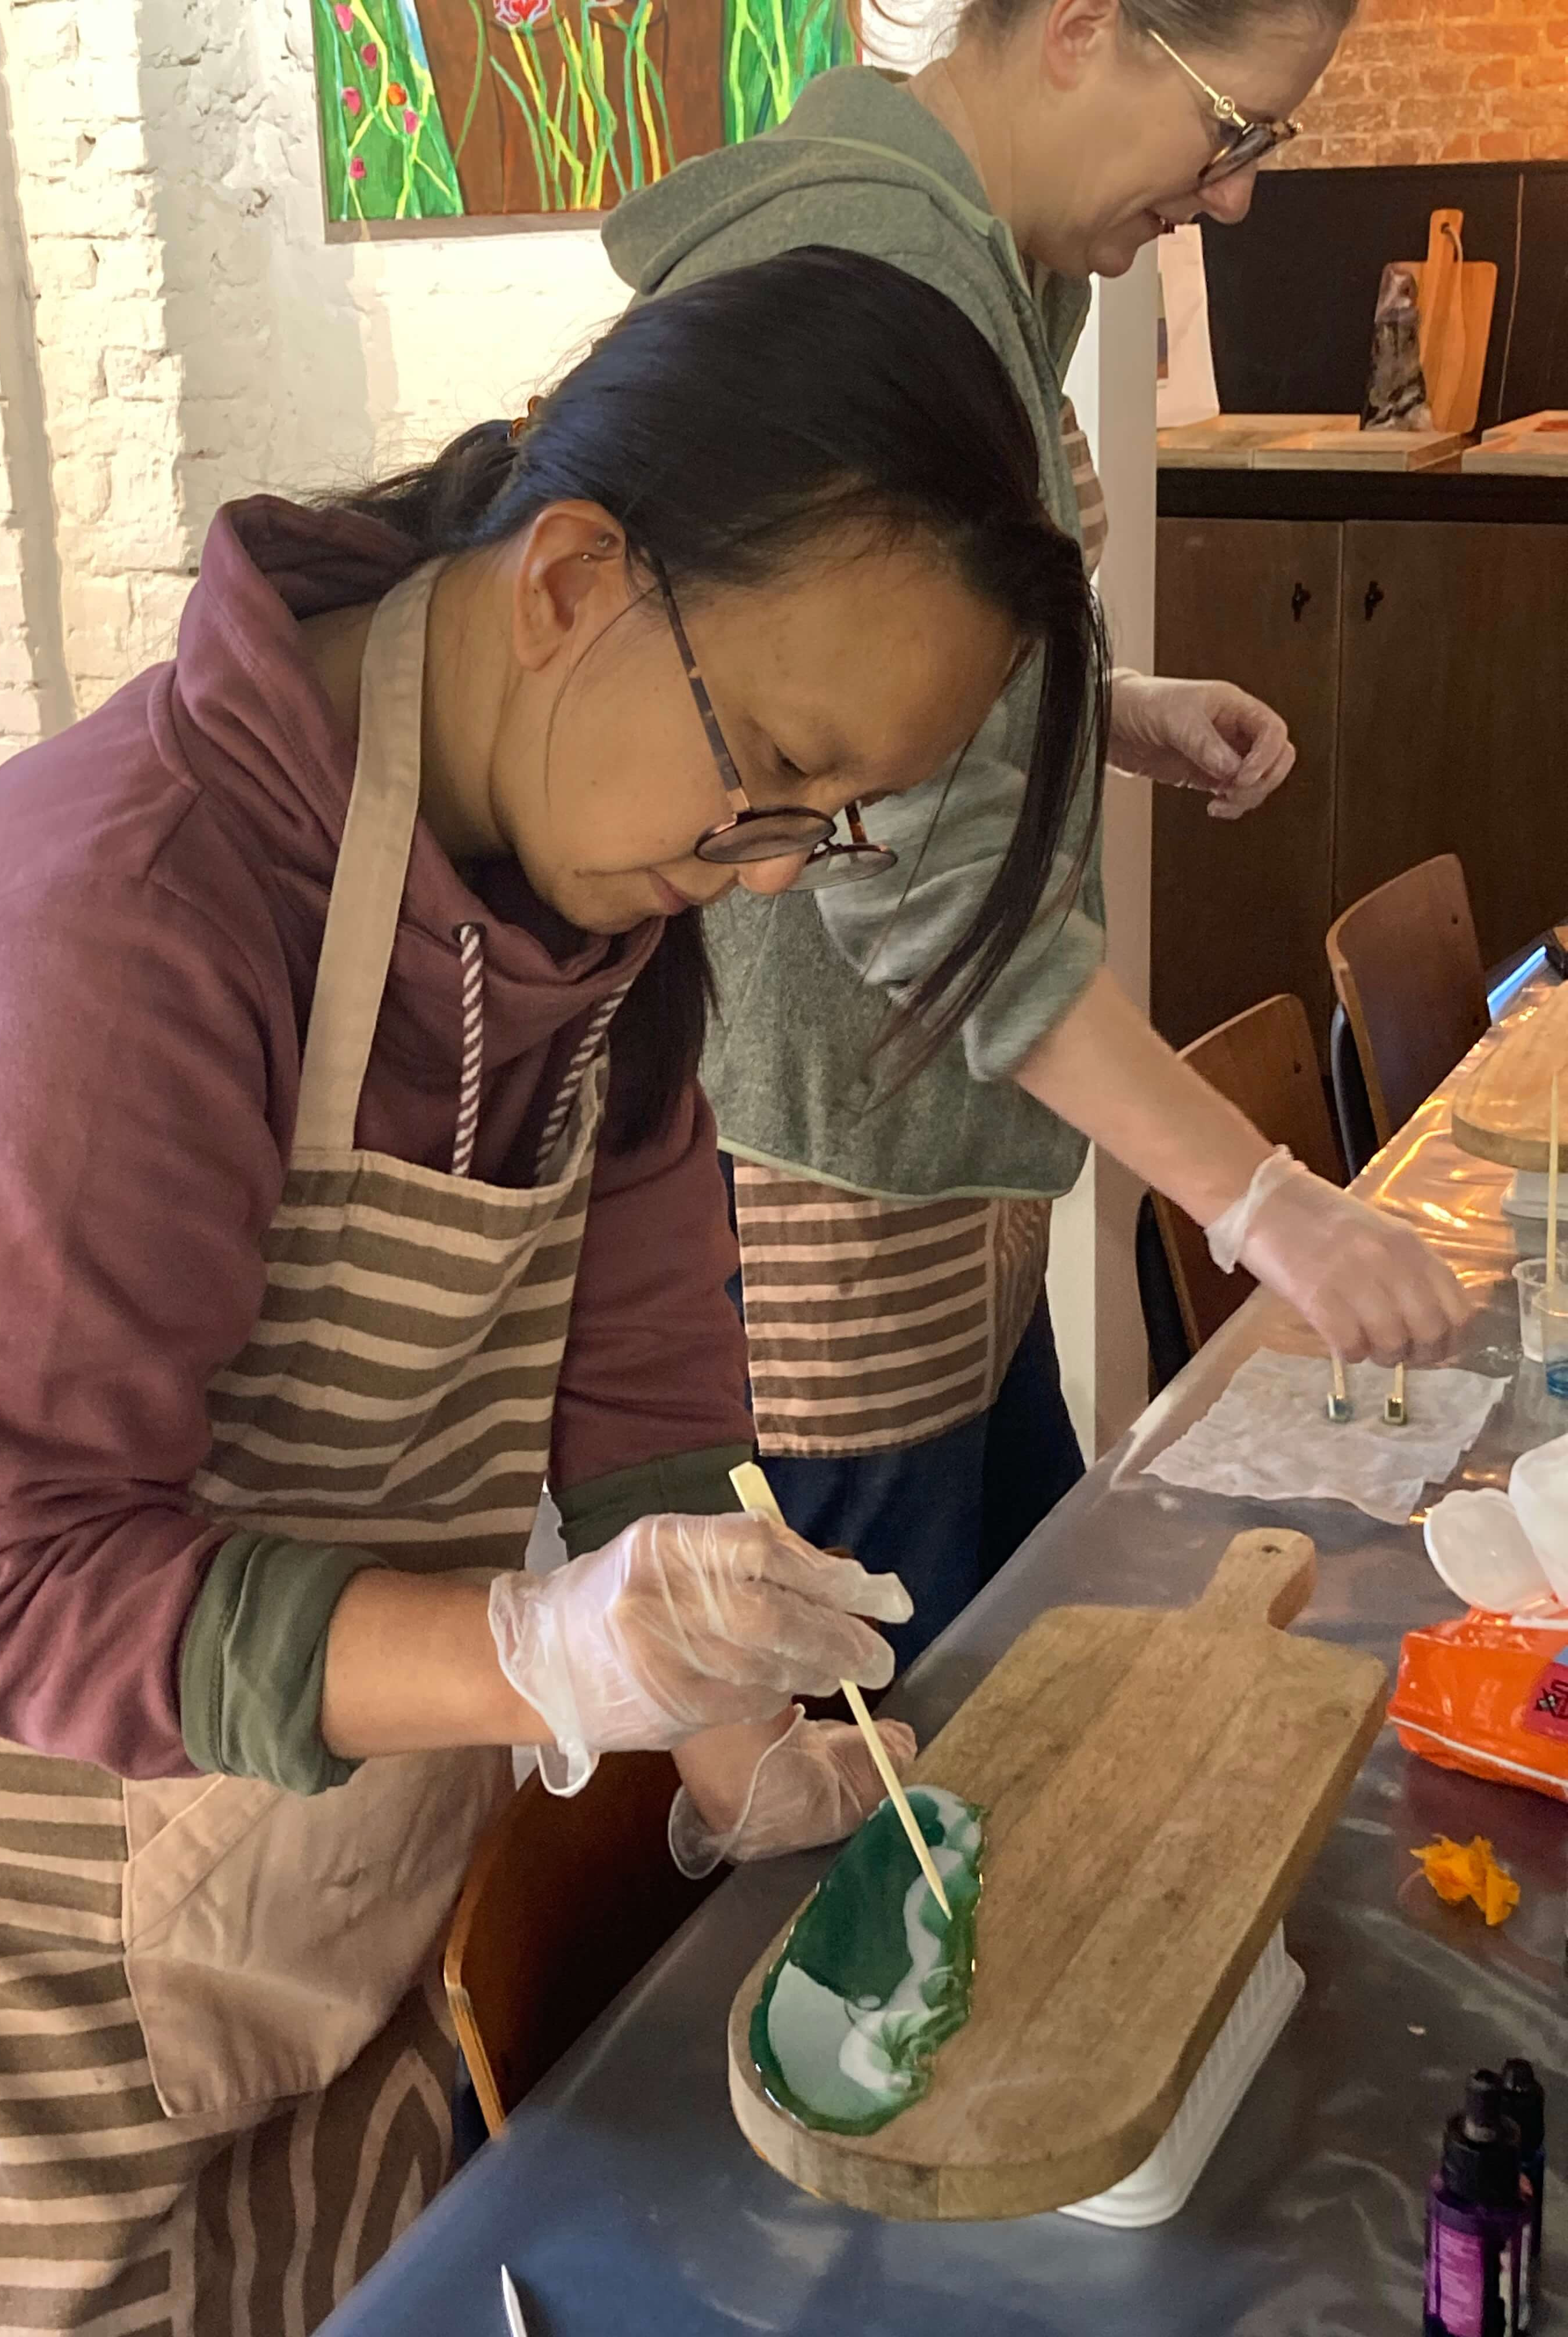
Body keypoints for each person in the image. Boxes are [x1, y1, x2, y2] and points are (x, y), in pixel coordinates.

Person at [0, 249, 1108, 2335]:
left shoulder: (592, 903)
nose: (776, 865)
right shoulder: (118, 925)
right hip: (36, 1902)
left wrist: (724, 1719)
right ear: (576, 581)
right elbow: (20, 1580)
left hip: (320, 1849)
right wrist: (534, 1654)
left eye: (834, 824)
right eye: (767, 770)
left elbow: (650, 1364)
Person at [604, 0, 1471, 1663]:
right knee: (906, 1746)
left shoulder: (994, 247)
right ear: (1083, 29)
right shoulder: (874, 266)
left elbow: (914, 670)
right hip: (832, 1196)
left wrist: (1110, 705)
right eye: (1235, 136)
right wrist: (1262, 1201)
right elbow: (909, 869)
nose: (1234, 200)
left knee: (1031, 1657)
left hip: (943, 1147)